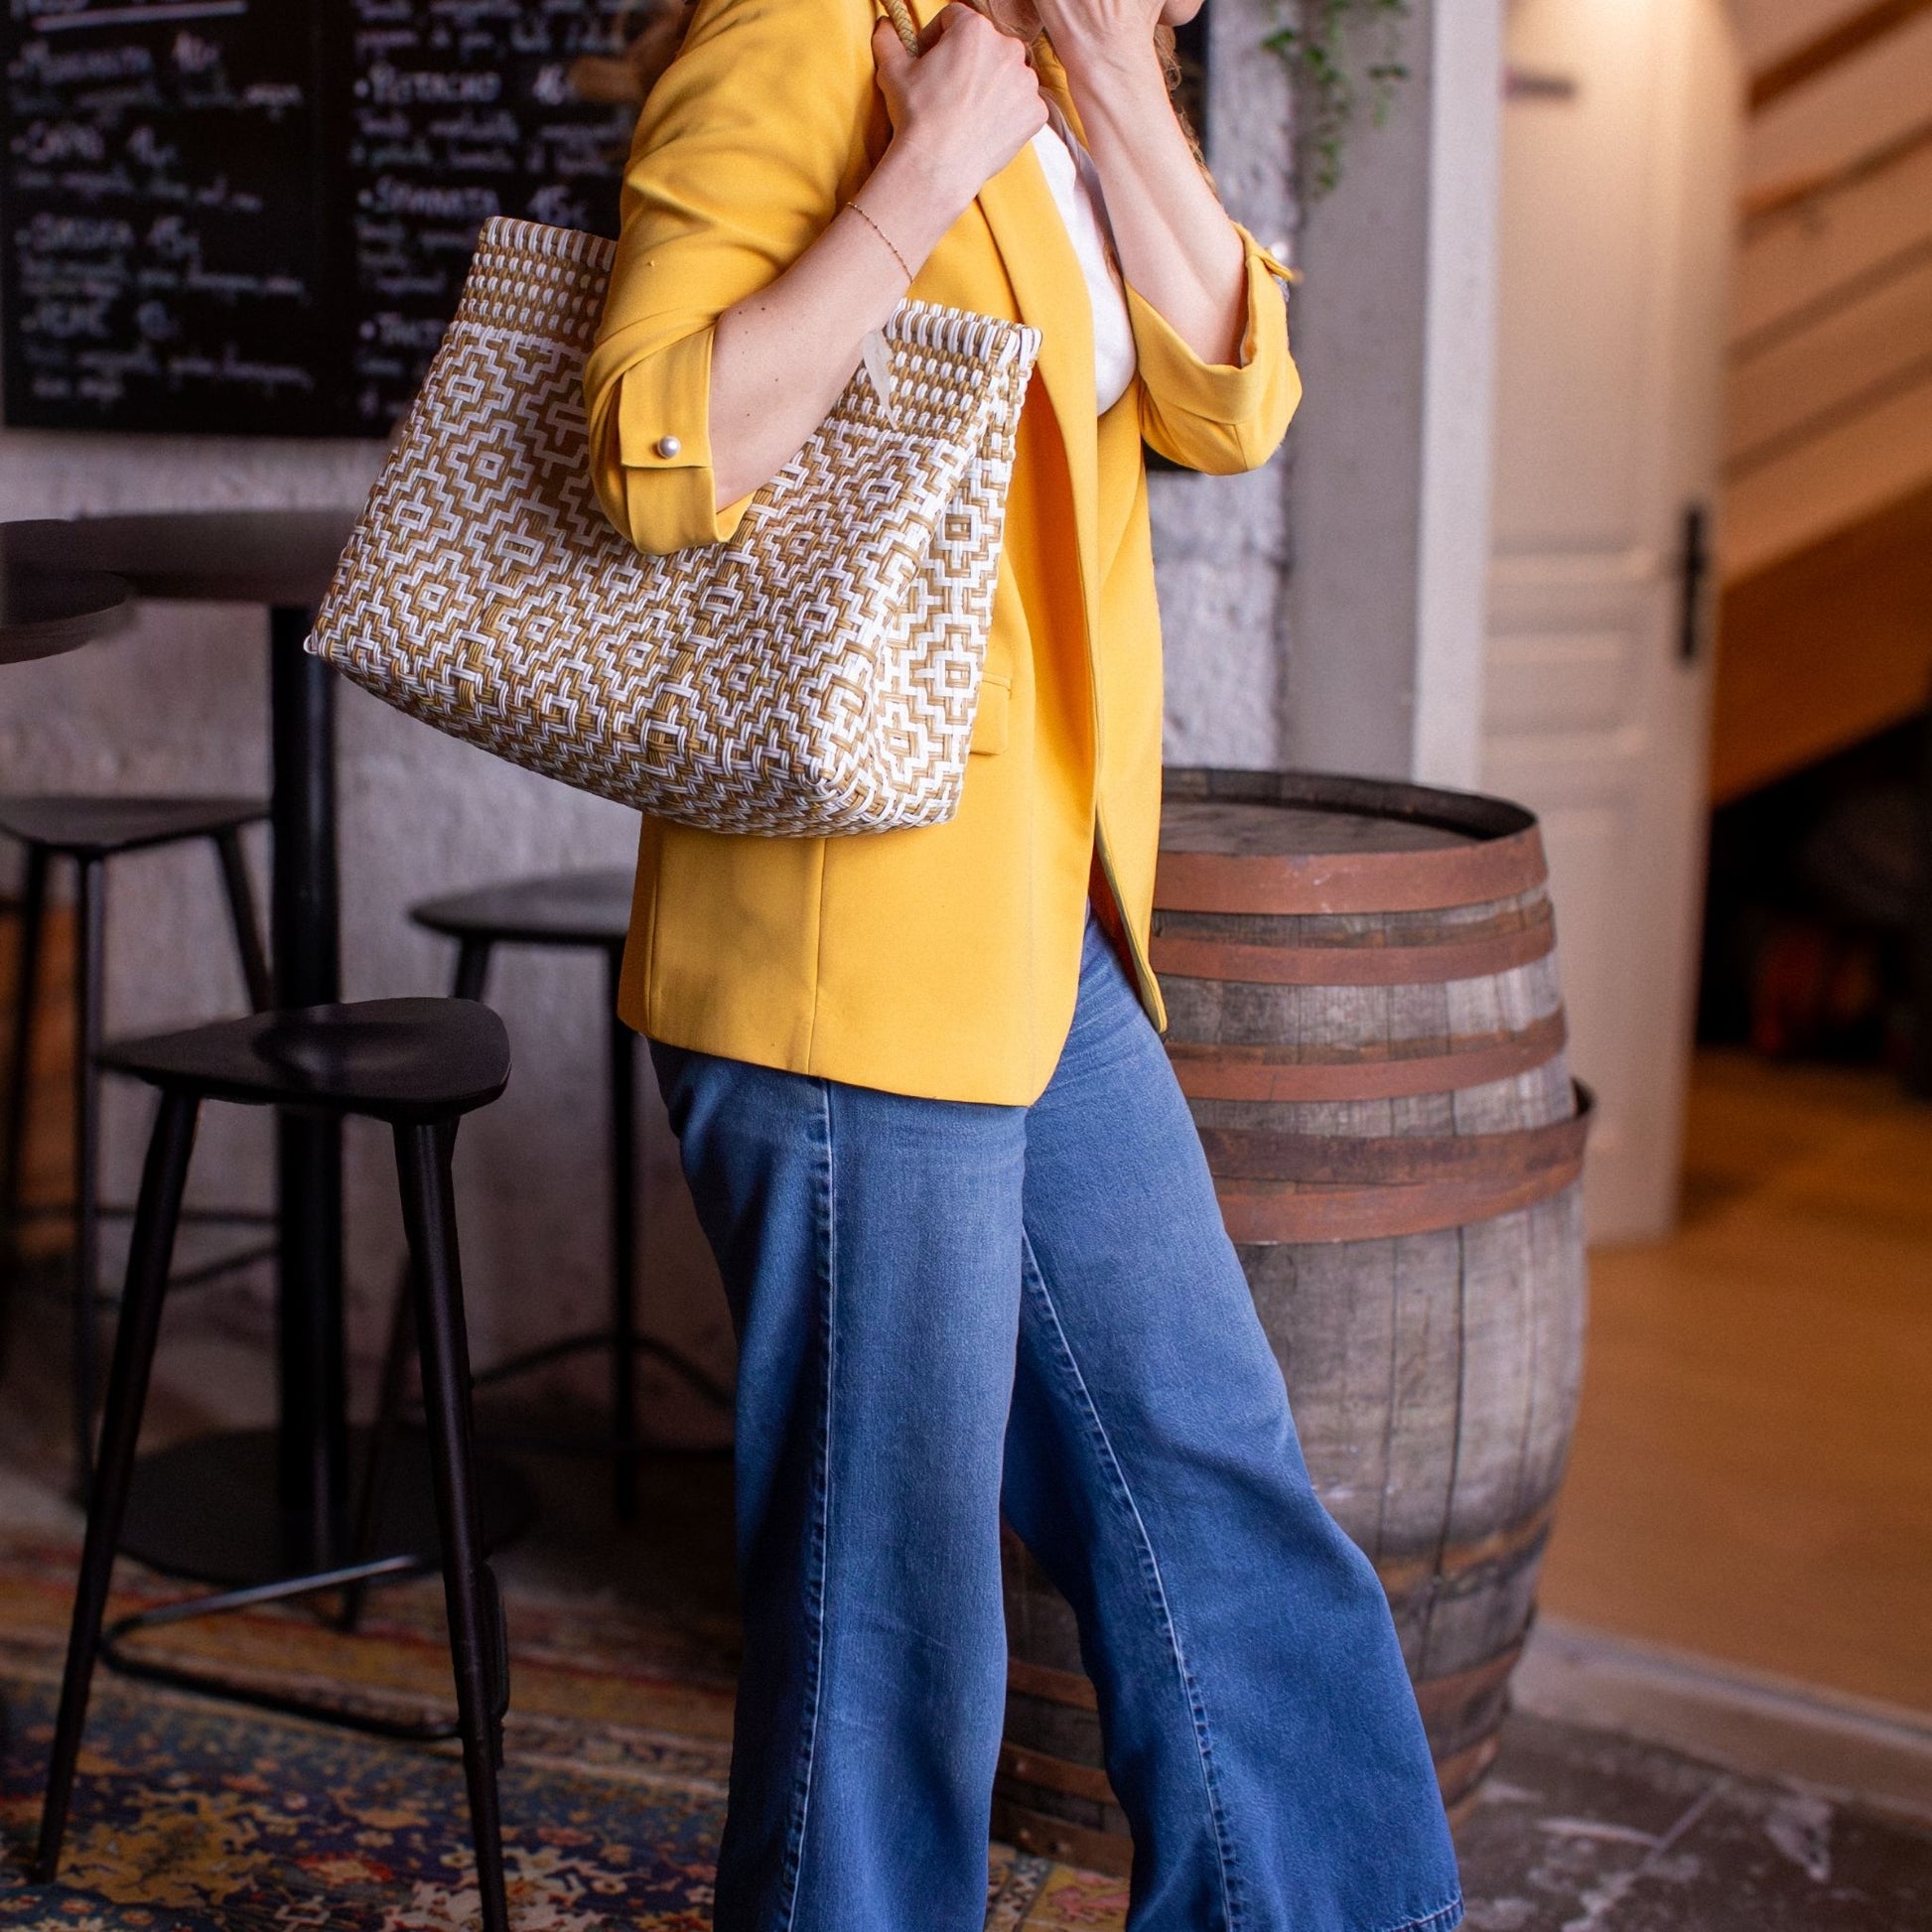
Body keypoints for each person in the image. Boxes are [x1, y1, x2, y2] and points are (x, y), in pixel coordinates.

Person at [584, 0, 1465, 1925]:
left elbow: (1235, 396)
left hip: (1040, 926)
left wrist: (1118, 86)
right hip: (849, 952)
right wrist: (918, 173)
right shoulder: (807, 33)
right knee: (888, 1616)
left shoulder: (1067, 68)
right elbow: (654, 450)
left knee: (1214, 1488)